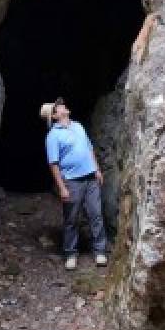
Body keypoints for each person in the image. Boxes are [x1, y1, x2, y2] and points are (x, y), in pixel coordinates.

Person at [40, 97, 109, 270]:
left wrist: (97, 169)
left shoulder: (78, 126)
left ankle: (100, 251)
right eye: (58, 107)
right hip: (71, 181)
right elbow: (53, 164)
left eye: (61, 105)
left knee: (96, 214)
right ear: (54, 116)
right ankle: (70, 253)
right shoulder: (53, 136)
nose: (63, 106)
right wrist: (62, 187)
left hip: (91, 178)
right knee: (71, 219)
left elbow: (89, 148)